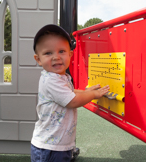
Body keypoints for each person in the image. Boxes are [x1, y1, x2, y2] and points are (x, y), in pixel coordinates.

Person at [31, 24, 110, 162]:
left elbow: (69, 92)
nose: (56, 57)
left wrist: (85, 91)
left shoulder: (61, 77)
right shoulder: (51, 80)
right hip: (50, 147)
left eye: (61, 51)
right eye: (48, 53)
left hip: (58, 144)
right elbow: (72, 101)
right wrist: (93, 95)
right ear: (38, 59)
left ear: (70, 54)